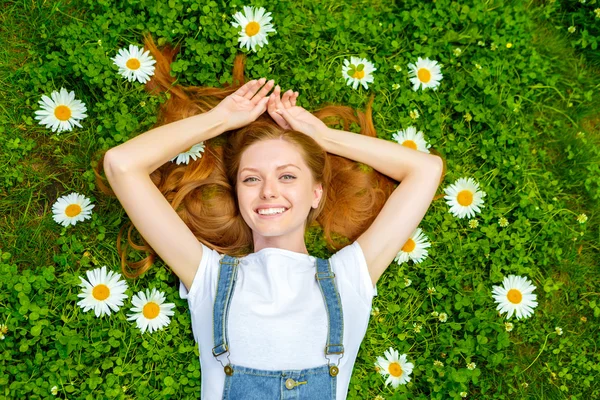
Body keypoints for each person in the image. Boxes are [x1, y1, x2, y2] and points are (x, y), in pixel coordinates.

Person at [97, 35, 445, 400]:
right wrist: (218, 121)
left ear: (316, 194)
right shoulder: (209, 277)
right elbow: (121, 166)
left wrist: (324, 137)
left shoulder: (349, 279)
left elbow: (425, 170)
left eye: (288, 176)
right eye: (251, 179)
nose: (268, 191)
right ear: (238, 194)